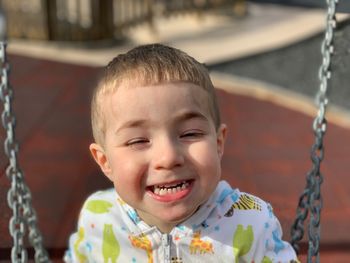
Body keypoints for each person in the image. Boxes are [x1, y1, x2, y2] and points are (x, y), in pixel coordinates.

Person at [64, 43, 298, 263]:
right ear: (105, 162)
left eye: (189, 134)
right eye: (138, 140)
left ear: (218, 143)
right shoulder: (98, 217)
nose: (168, 158)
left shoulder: (251, 222)